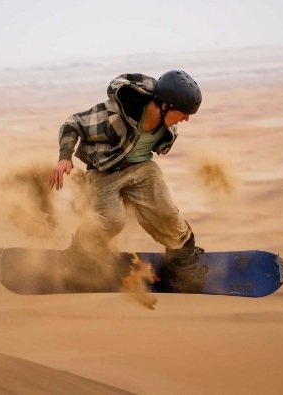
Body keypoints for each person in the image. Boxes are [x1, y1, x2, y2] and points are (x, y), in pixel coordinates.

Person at [48, 70, 208, 293]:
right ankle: (78, 260)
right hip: (104, 173)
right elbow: (72, 123)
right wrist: (64, 157)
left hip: (141, 169)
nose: (186, 119)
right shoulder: (113, 116)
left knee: (167, 215)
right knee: (111, 220)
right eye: (183, 113)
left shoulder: (167, 125)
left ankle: (184, 263)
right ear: (164, 105)